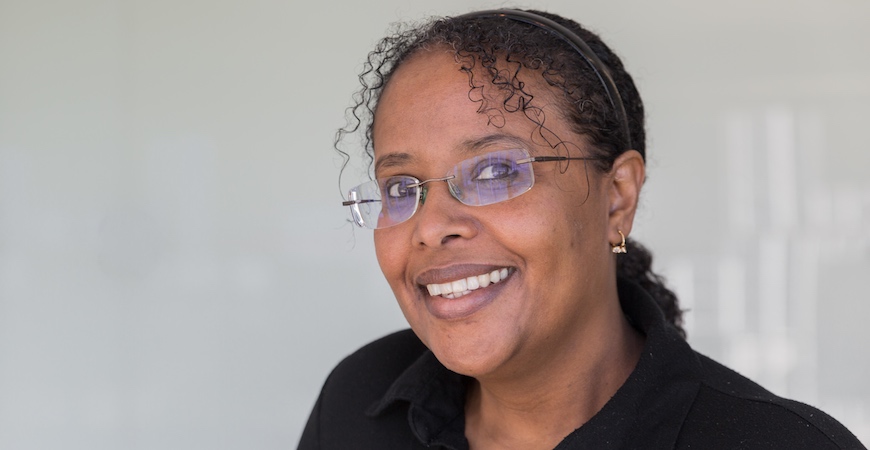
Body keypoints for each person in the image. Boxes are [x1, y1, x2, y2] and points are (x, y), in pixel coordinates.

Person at [299, 9, 865, 450]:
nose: (431, 227)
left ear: (617, 198)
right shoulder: (359, 402)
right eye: (401, 187)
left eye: (495, 171)